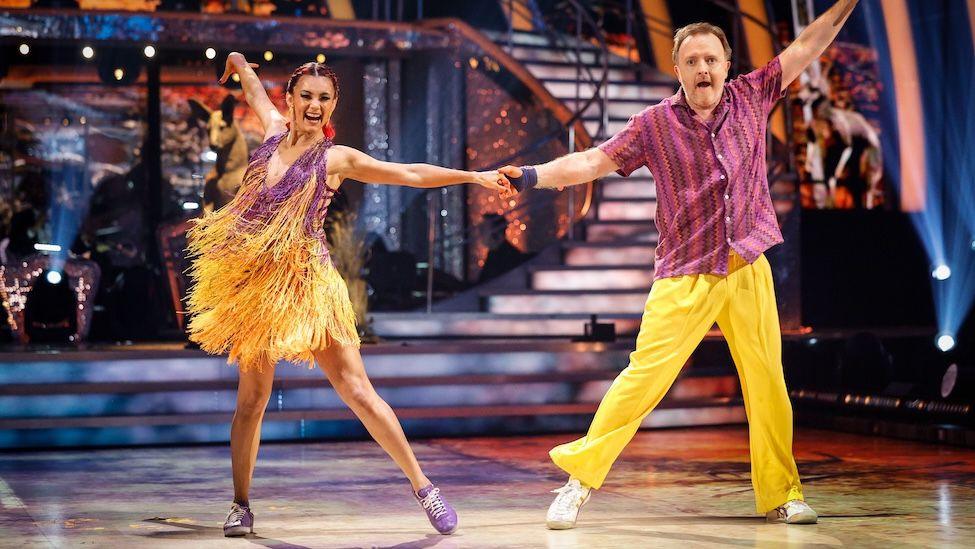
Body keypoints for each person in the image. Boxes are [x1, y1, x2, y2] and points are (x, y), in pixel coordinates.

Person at [500, 0, 862, 529]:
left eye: (711, 60)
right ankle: (577, 483)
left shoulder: (752, 95)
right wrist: (532, 175)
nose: (703, 70)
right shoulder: (653, 125)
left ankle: (783, 493)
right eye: (692, 61)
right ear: (678, 70)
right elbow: (591, 162)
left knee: (768, 384)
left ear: (727, 64)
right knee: (641, 380)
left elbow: (806, 45)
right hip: (685, 270)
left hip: (745, 266)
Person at [186, 53, 512, 537]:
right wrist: (239, 63)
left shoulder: (336, 159)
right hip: (256, 286)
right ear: (291, 100)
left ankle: (424, 487)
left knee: (358, 391)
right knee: (252, 401)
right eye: (306, 96)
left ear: (332, 105)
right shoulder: (273, 132)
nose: (314, 105)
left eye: (324, 98)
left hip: (309, 285)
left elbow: (410, 174)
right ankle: (240, 504)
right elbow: (255, 91)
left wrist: (472, 177)